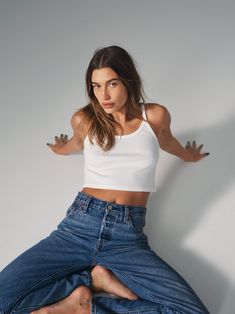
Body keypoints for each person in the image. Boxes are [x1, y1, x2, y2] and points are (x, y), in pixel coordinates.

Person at [0, 46, 210, 314]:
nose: (104, 95)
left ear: (128, 81)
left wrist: (187, 156)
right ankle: (87, 282)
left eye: (112, 83)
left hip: (127, 236)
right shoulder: (85, 119)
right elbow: (75, 142)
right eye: (96, 86)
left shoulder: (154, 116)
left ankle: (91, 305)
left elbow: (168, 142)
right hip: (78, 227)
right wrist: (61, 148)